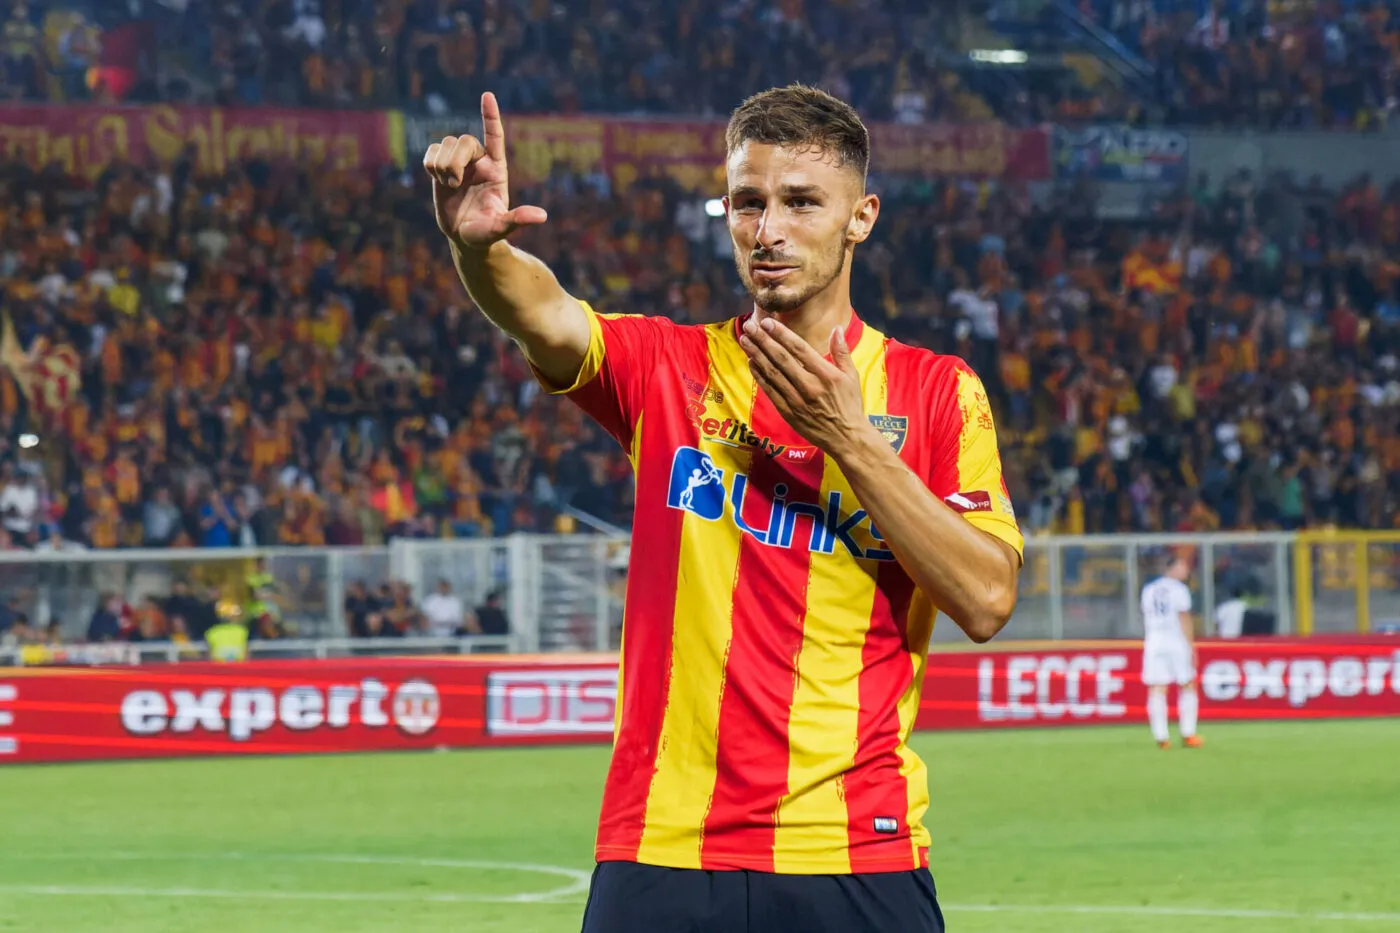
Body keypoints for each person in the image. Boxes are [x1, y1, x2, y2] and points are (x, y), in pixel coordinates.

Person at [425, 85, 1022, 933]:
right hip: (664, 845)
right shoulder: (666, 366)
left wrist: (850, 441)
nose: (767, 228)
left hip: (853, 847)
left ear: (862, 217)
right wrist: (478, 251)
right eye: (747, 202)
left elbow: (988, 599)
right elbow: (547, 317)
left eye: (801, 202)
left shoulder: (937, 393)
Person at [1140, 551, 1203, 749]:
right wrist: (1191, 646)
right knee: (1187, 684)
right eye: (1182, 566)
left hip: (1154, 640)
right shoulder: (1179, 590)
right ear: (1172, 568)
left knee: (1157, 687)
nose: (1186, 570)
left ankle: (1161, 737)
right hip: (1175, 640)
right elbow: (1183, 617)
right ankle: (1188, 733)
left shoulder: (1149, 590)